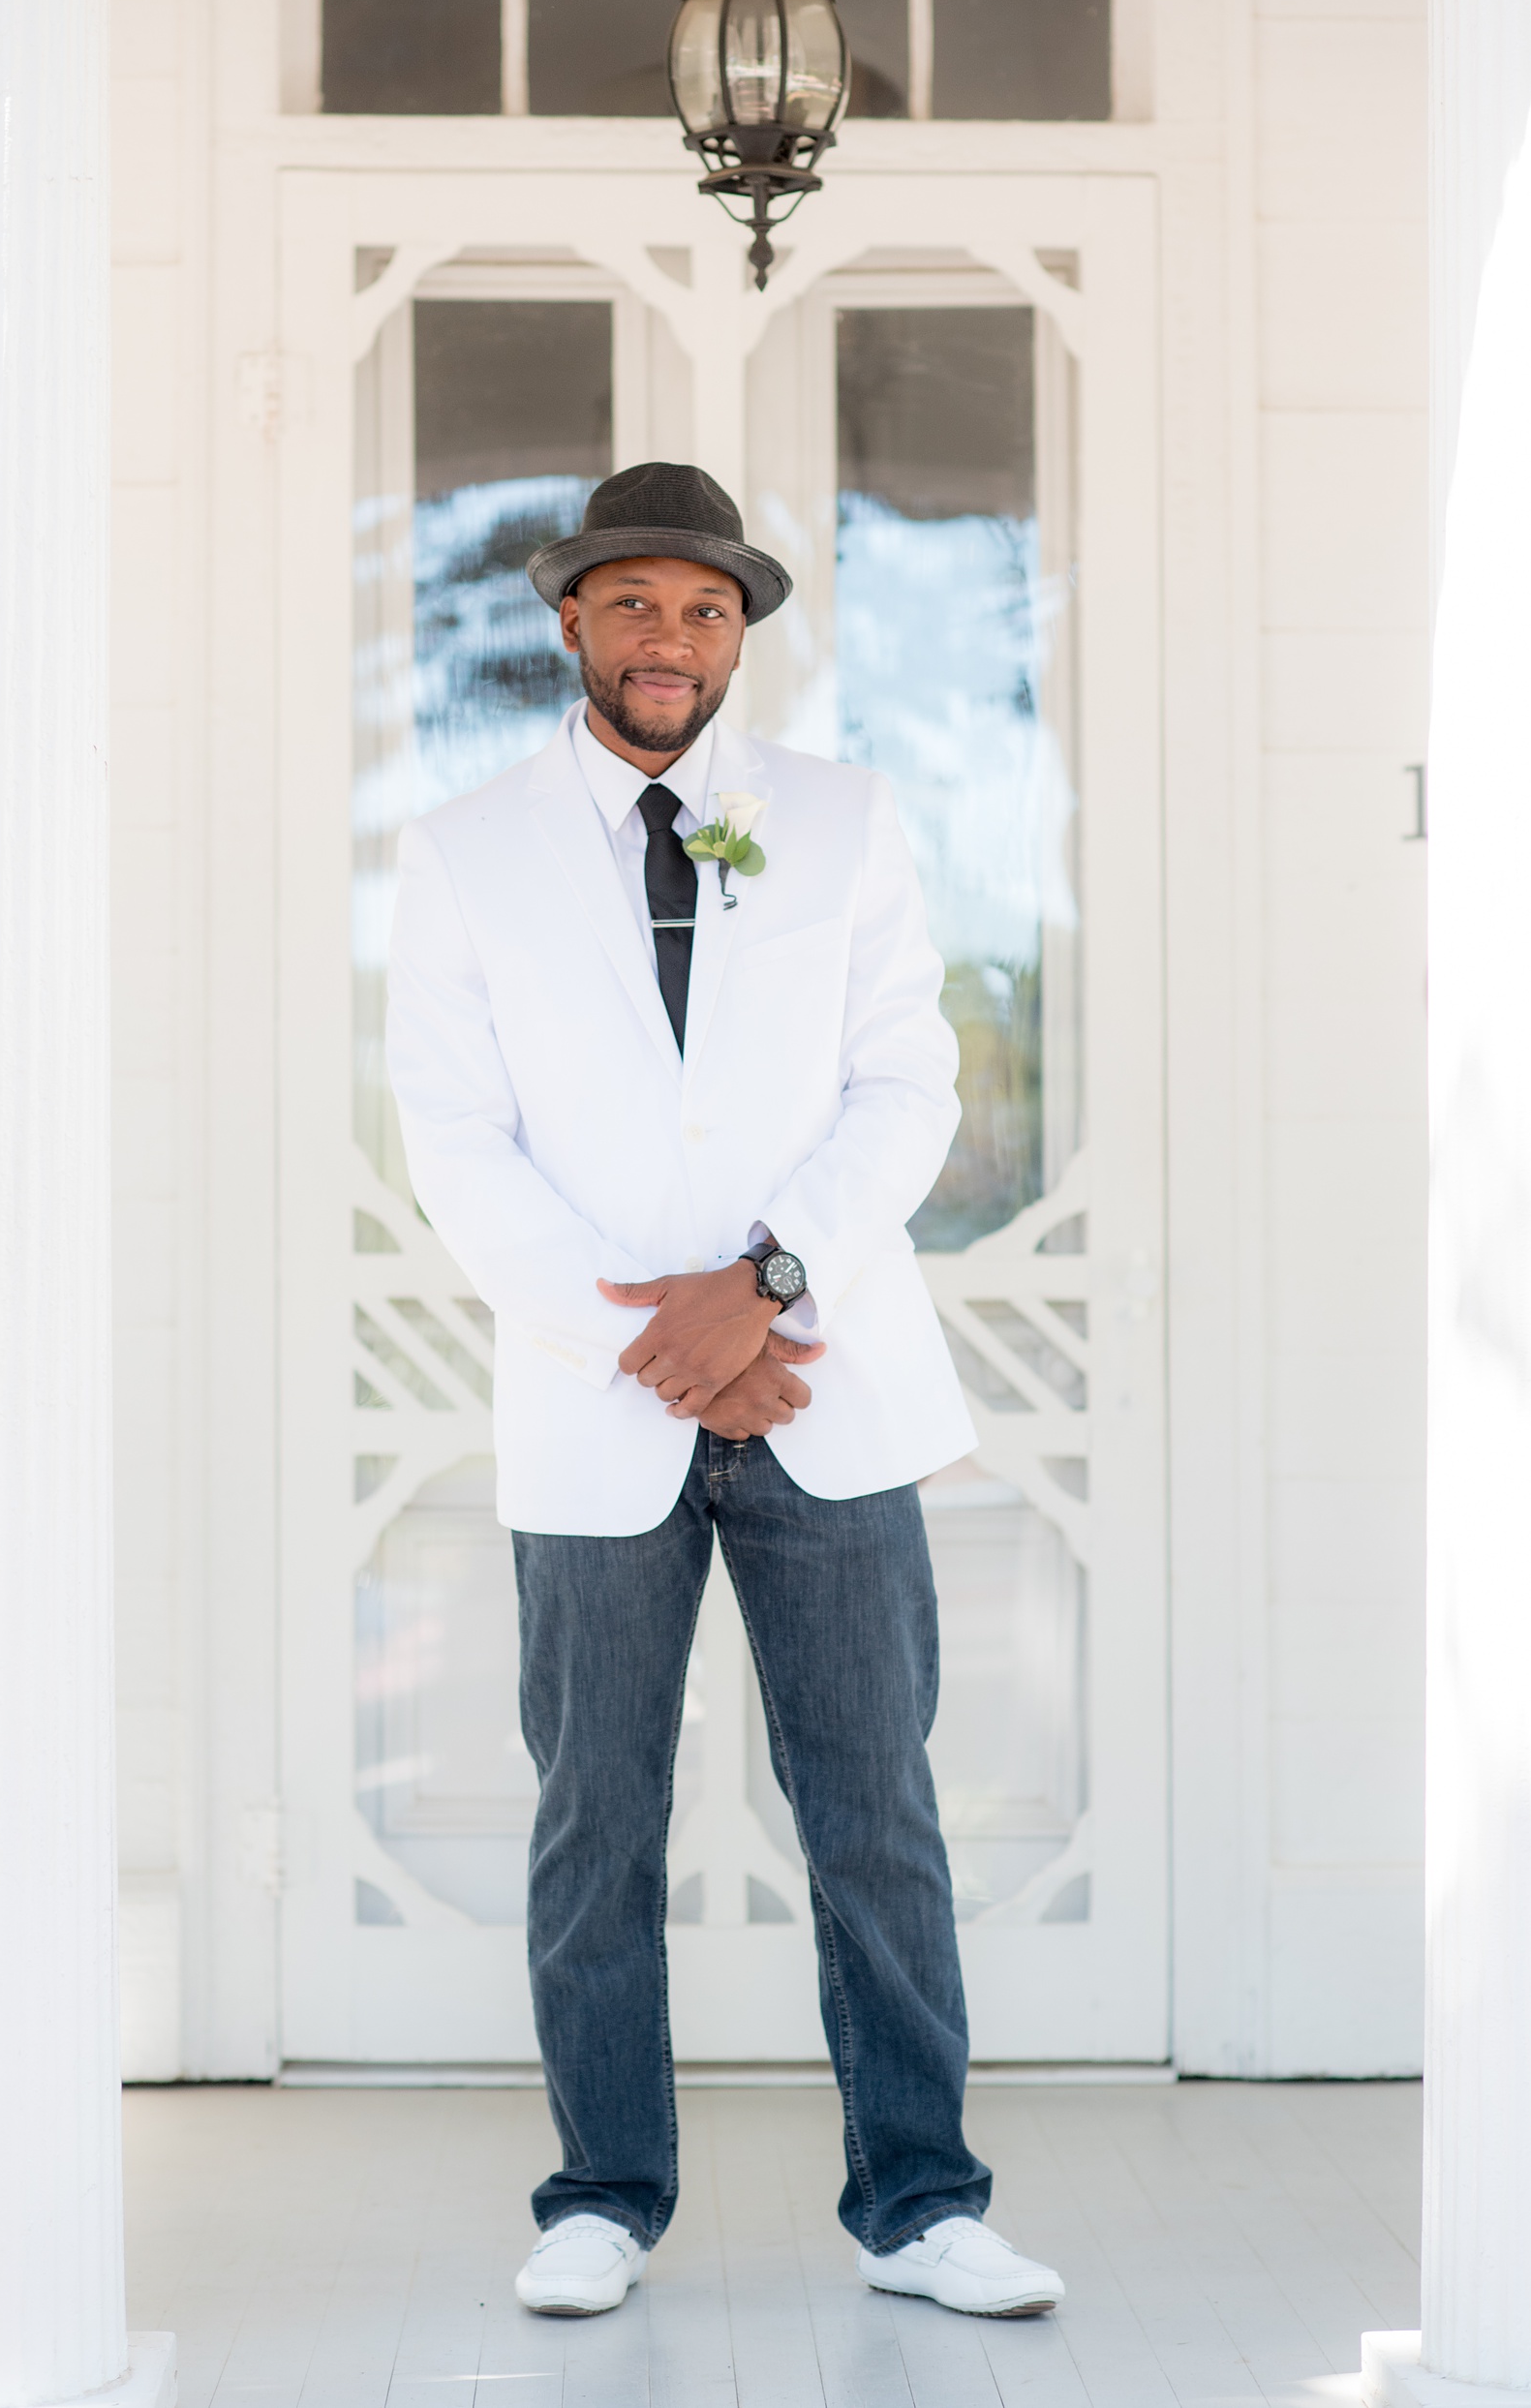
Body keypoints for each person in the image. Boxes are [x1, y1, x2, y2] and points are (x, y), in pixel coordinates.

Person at [385, 462, 1065, 2322]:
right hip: (594, 1403)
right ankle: (602, 2192)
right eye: (634, 606)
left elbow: (906, 1088)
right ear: (572, 622)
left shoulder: (842, 822)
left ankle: (923, 2202)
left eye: (703, 610)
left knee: (875, 1804)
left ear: (737, 632)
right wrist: (660, 1342)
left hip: (823, 1384)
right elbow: (455, 1140)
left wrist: (760, 1294)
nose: (669, 639)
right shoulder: (461, 850)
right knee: (593, 1812)